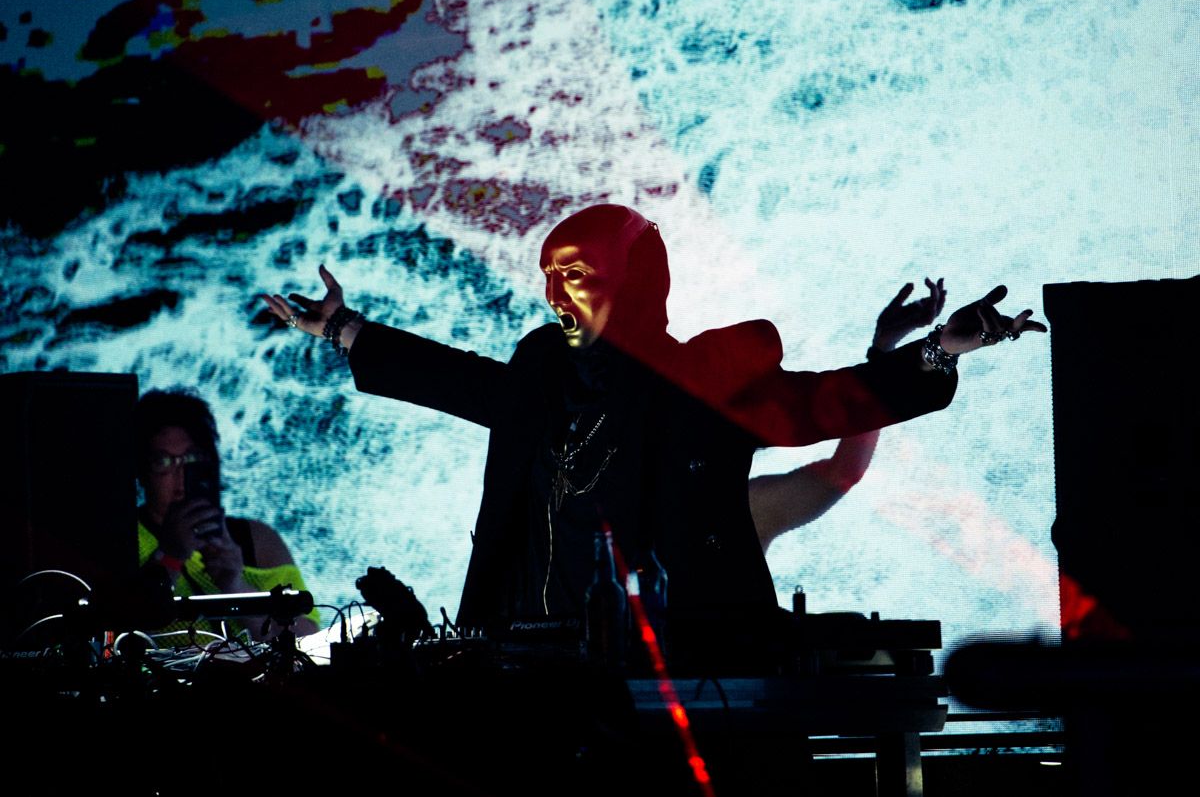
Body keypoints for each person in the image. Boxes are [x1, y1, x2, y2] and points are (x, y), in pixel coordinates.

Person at [263, 204, 1043, 668]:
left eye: (576, 274)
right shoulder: (541, 379)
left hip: (681, 672)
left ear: (635, 285)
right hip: (534, 669)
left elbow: (827, 406)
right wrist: (343, 329)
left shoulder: (706, 384)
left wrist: (938, 351)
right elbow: (457, 380)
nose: (555, 293)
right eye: (549, 275)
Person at [750, 278, 946, 552]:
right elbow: (843, 473)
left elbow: (842, 473)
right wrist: (882, 356)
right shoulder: (730, 507)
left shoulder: (731, 507)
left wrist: (882, 357)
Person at [136, 389, 320, 641]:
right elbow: (114, 631)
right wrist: (170, 558)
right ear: (141, 471)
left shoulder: (256, 539)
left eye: (192, 458)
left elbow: (309, 640)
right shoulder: (122, 542)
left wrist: (235, 584)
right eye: (163, 462)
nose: (180, 474)